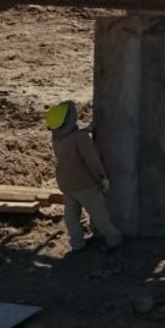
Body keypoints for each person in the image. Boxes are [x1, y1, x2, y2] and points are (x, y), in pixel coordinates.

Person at [45, 100, 122, 254]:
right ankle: (114, 240)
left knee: (71, 215)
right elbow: (92, 161)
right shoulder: (80, 139)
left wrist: (85, 131)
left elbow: (72, 138)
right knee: (99, 214)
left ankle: (77, 243)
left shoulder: (57, 137)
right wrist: (102, 178)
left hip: (66, 183)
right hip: (84, 185)